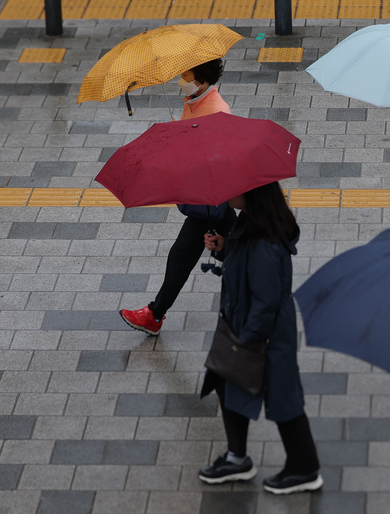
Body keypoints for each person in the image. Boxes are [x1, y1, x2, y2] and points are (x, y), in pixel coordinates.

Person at [198, 182, 323, 495]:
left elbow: (266, 300)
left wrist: (247, 341)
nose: (225, 193)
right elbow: (246, 266)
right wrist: (224, 248)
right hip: (246, 330)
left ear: (250, 193)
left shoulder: (263, 242)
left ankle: (304, 468)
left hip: (262, 337)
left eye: (232, 188)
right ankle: (236, 457)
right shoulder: (250, 225)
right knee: (228, 384)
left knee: (284, 400)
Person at [120, 58, 237, 336]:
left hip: (207, 196)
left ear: (203, 81)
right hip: (201, 194)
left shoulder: (217, 111)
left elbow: (216, 158)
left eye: (186, 76)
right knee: (235, 244)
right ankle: (263, 279)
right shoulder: (193, 101)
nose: (181, 81)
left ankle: (154, 314)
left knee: (181, 255)